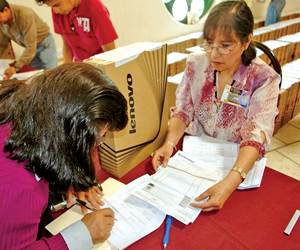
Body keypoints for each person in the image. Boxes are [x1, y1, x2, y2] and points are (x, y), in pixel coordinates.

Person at [152, 1, 280, 212]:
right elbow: (183, 109)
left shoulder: (262, 78)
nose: (214, 54)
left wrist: (228, 185)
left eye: (225, 46)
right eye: (209, 44)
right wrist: (169, 143)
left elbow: (257, 134)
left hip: (234, 161)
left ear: (246, 41)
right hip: (196, 155)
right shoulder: (196, 64)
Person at [0, 63, 128, 249]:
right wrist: (81, 235)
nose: (94, 148)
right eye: (96, 140)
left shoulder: (24, 103)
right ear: (67, 140)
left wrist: (69, 177)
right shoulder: (18, 190)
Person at [35, 0, 118, 63]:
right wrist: (67, 72)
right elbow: (67, 46)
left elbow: (110, 51)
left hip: (99, 64)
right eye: (51, 7)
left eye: (57, 5)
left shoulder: (94, 7)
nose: (55, 10)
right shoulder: (58, 12)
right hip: (80, 66)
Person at [0, 0, 57, 79]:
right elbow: (2, 45)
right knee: (35, 76)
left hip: (44, 44)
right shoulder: (2, 22)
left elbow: (31, 47)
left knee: (50, 76)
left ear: (6, 10)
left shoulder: (25, 14)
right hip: (29, 49)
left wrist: (15, 67)